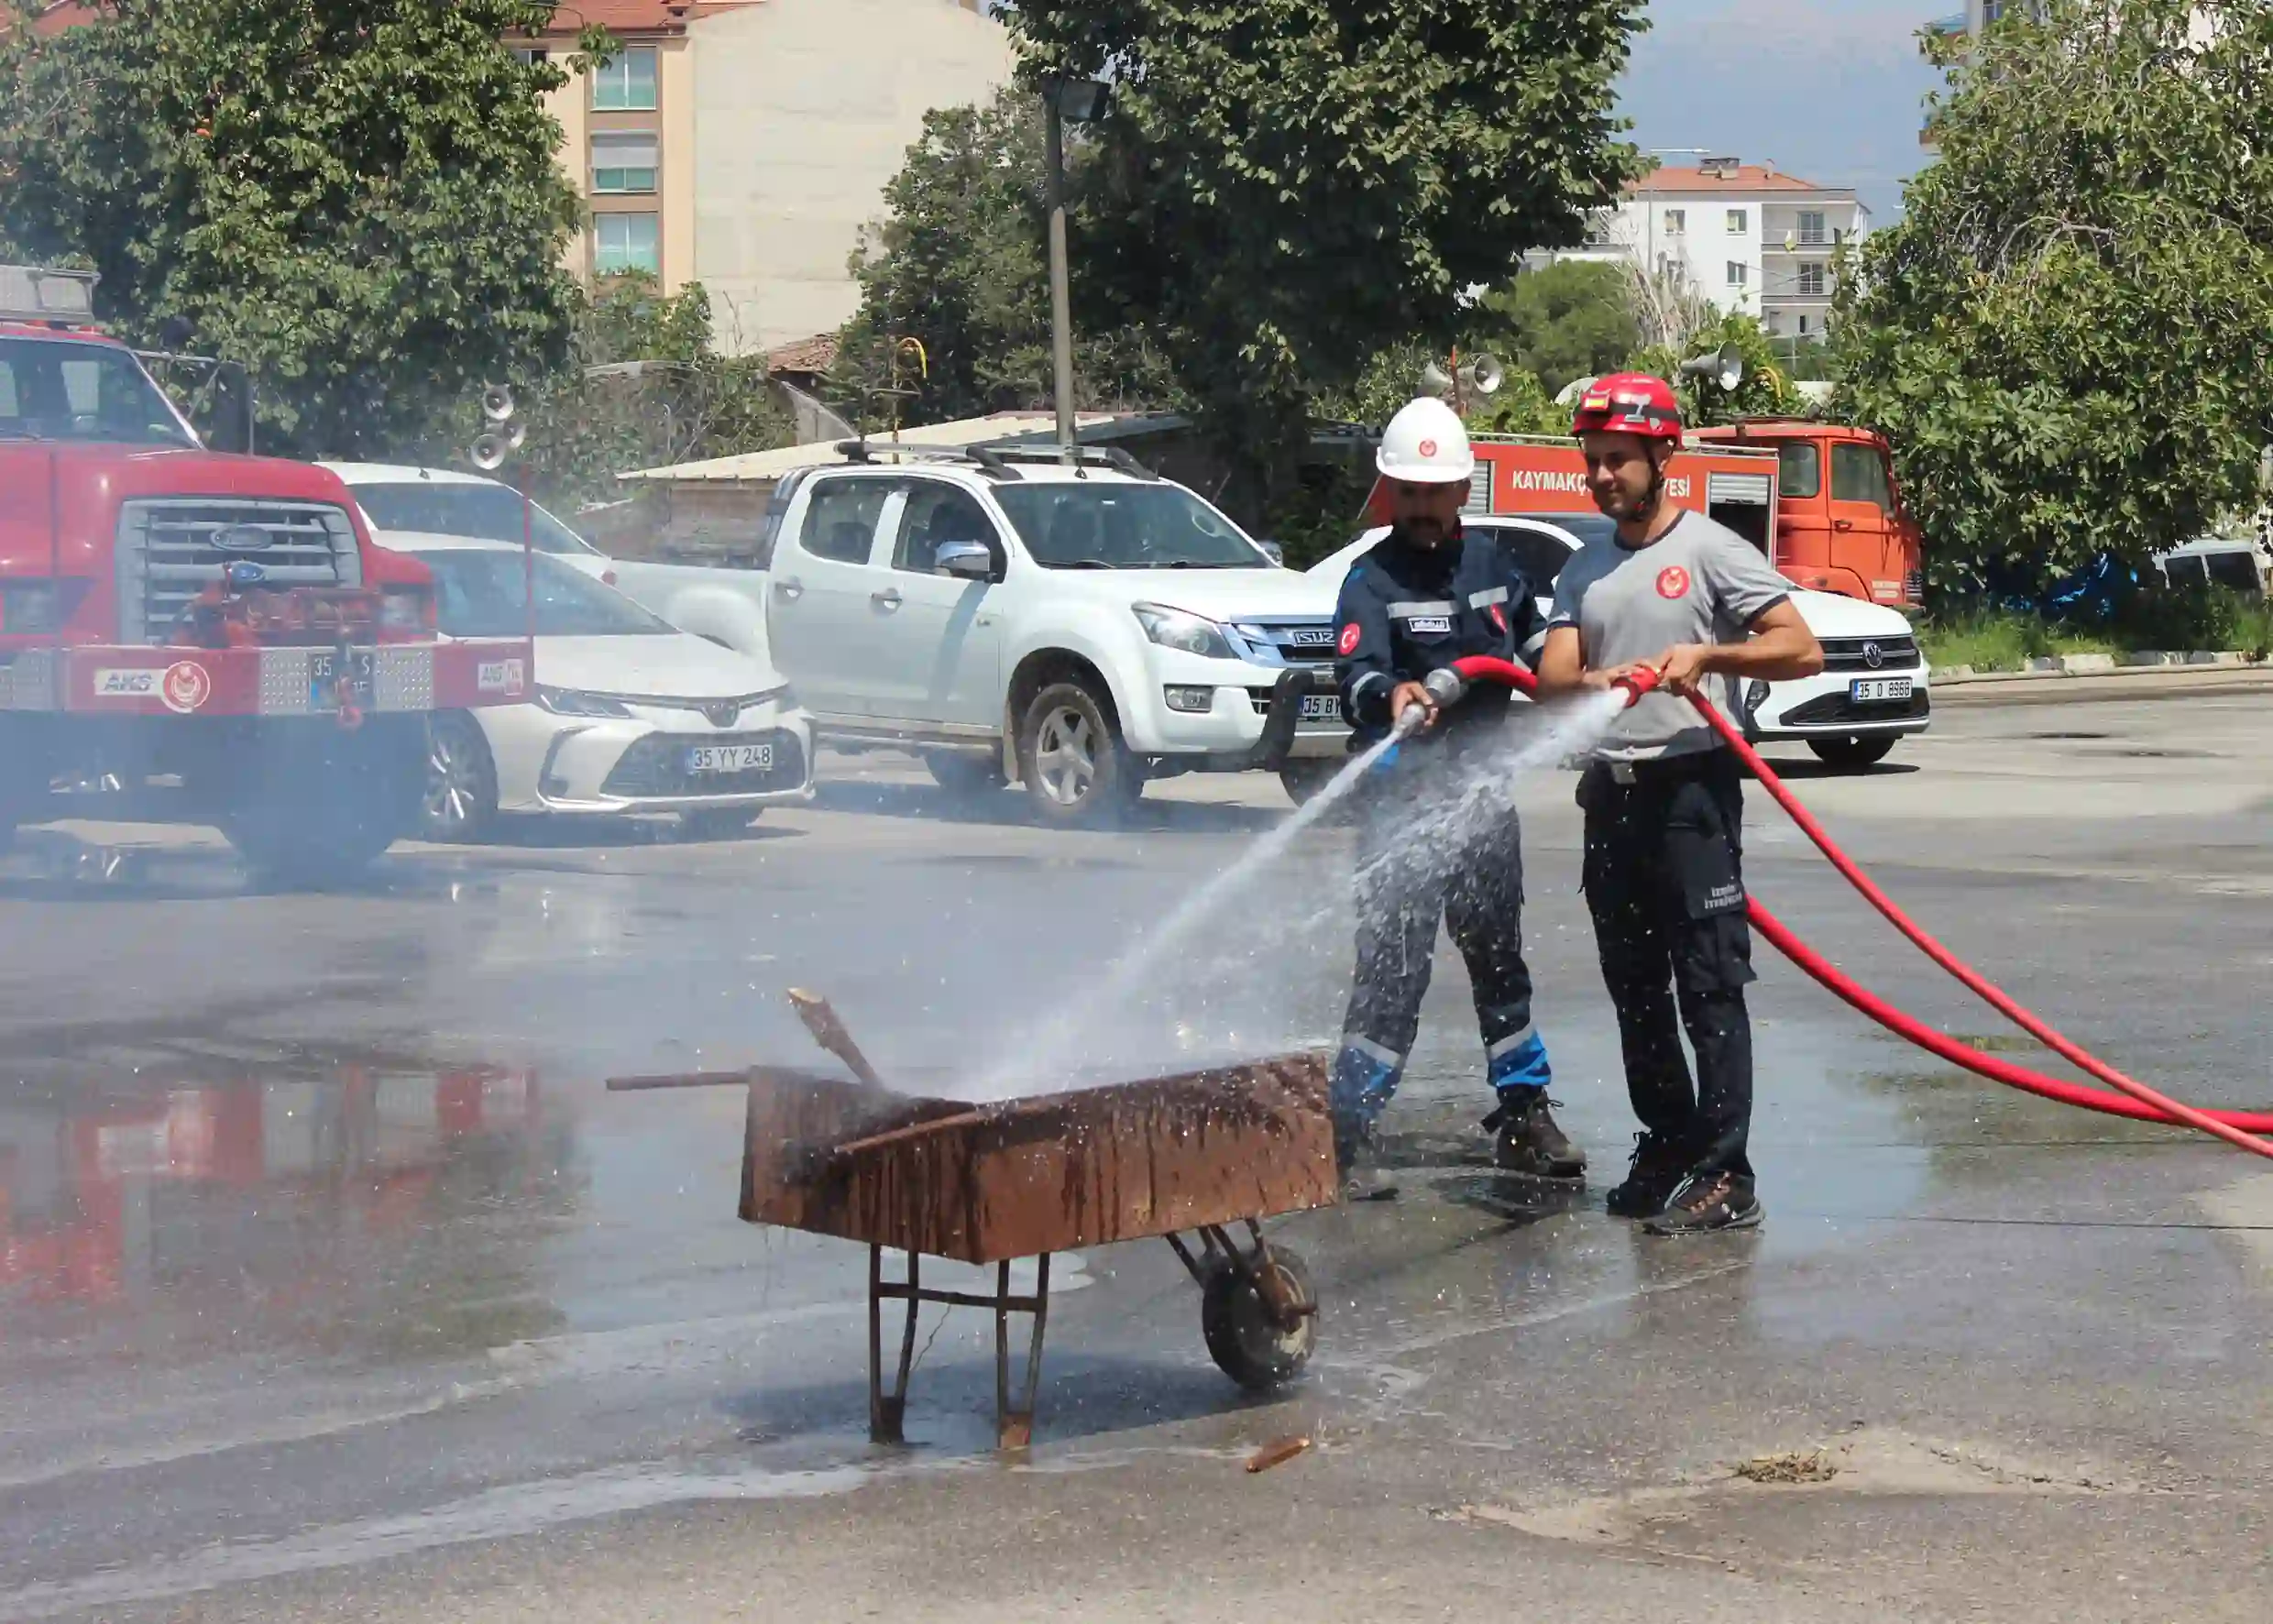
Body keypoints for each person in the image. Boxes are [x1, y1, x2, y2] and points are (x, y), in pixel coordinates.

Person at [1534, 372, 1823, 1234]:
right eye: (1592, 463)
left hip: (1692, 791)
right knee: (1636, 989)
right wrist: (1596, 679)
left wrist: (1710, 657)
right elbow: (1552, 680)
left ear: (1664, 455)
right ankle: (1664, 1145)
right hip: (1611, 797)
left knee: (1709, 986)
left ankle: (1725, 1172)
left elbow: (1799, 649)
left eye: (1617, 461)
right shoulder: (1585, 566)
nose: (1601, 478)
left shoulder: (1710, 551)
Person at [1328, 395, 1578, 1196]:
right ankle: (1347, 1129)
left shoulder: (1496, 570)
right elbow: (1355, 674)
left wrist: (1579, 674)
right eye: (1410, 493)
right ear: (1389, 494)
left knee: (1499, 962)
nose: (1424, 507)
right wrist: (1393, 693)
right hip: (1400, 812)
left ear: (1463, 489)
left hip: (1482, 806)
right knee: (1392, 973)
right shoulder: (1369, 580)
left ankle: (1524, 1111)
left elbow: (1538, 652)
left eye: (1436, 492)